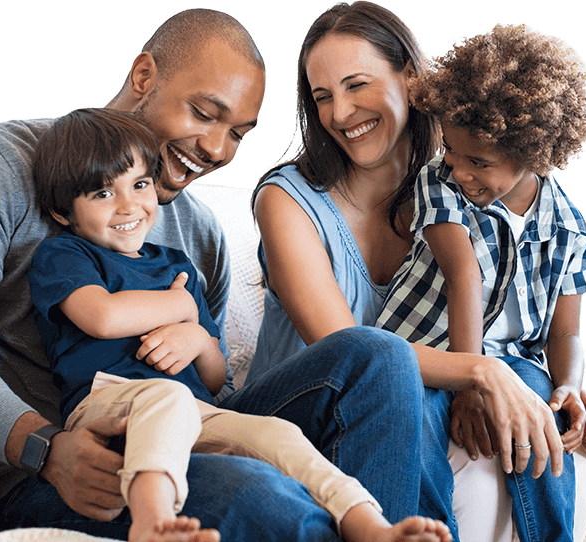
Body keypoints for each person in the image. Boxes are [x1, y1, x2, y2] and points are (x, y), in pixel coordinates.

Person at [0, 8, 437, 540]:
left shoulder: (199, 234)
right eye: (203, 112)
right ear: (143, 76)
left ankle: (382, 528)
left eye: (237, 132)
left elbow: (212, 387)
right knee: (257, 491)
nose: (216, 150)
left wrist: (198, 340)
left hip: (186, 424)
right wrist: (45, 449)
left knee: (378, 353)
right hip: (61, 466)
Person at [248, 3, 586, 541]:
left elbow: (535, 317)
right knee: (392, 372)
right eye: (322, 96)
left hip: (408, 387)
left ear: (411, 77)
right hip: (305, 408)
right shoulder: (289, 201)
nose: (339, 113)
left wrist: (565, 394)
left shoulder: (468, 186)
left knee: (522, 389)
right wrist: (480, 373)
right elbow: (350, 351)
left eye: (357, 85)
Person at [28, 106, 451, 542]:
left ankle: (369, 524)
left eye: (139, 185)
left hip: (198, 412)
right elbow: (102, 316)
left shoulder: (176, 266)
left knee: (277, 434)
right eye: (102, 194)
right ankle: (151, 523)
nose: (128, 206)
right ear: (64, 213)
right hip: (108, 407)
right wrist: (180, 308)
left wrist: (196, 334)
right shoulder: (66, 255)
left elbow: (213, 378)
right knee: (166, 396)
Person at [376, 23, 586, 541]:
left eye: (479, 161)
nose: (459, 169)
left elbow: (564, 334)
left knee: (541, 408)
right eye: (451, 150)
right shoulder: (441, 182)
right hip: (425, 351)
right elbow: (464, 276)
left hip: (514, 361)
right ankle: (427, 533)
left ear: (535, 154)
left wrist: (571, 386)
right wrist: (470, 382)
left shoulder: (569, 230)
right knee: (419, 416)